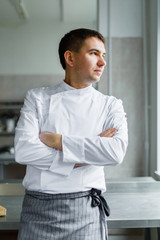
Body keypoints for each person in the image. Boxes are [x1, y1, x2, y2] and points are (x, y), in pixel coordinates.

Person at [15, 28, 128, 240]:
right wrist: (91, 152)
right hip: (38, 211)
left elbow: (115, 153)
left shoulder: (111, 105)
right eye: (94, 53)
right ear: (70, 58)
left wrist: (58, 141)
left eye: (103, 55)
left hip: (87, 211)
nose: (102, 62)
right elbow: (24, 151)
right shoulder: (37, 98)